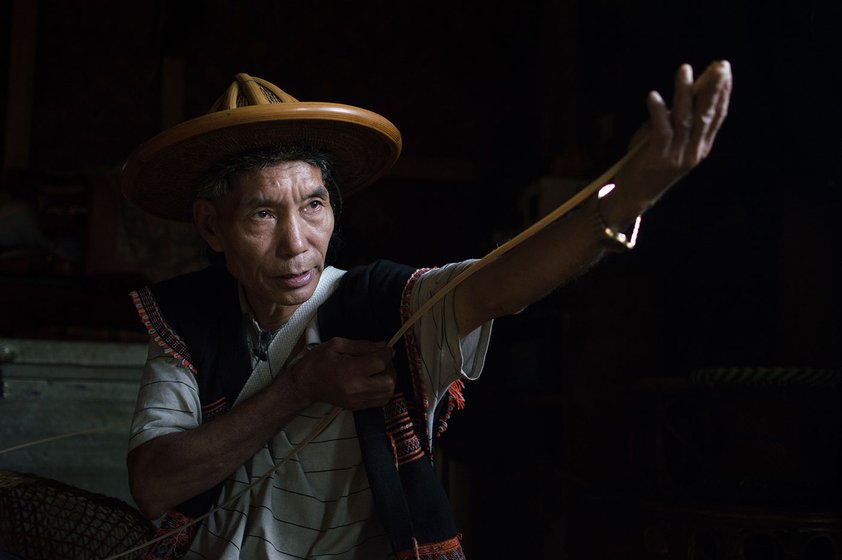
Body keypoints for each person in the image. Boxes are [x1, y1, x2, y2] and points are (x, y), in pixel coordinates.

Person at [120, 63, 732, 559]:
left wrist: (637, 191)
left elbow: (500, 287)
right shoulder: (188, 321)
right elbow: (153, 485)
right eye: (262, 214)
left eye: (312, 205)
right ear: (212, 225)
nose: (296, 241)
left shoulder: (379, 305)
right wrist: (300, 386)